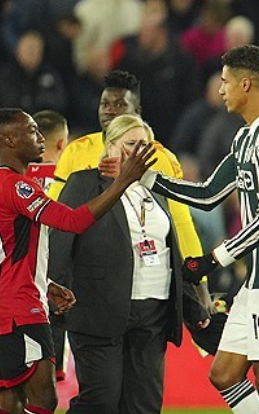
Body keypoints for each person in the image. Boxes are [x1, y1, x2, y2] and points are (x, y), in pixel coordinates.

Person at [133, 44, 259, 414]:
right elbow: (209, 194)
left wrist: (213, 259)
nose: (221, 90)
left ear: (246, 84)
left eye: (225, 82)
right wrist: (145, 178)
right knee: (224, 374)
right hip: (255, 282)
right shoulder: (245, 137)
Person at [48, 114, 210, 414]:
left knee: (144, 406)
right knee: (100, 402)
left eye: (145, 146)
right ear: (109, 146)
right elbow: (60, 239)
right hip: (99, 310)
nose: (138, 152)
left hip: (153, 312)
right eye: (131, 144)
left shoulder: (156, 189)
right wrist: (52, 294)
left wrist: (191, 304)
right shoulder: (84, 183)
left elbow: (169, 252)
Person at [0, 107, 154, 414]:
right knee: (43, 398)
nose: (41, 137)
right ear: (9, 140)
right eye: (31, 130)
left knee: (11, 398)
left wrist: (46, 283)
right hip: (20, 308)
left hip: (13, 300)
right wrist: (123, 181)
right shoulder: (16, 185)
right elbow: (73, 221)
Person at [47, 70, 218, 333]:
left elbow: (181, 224)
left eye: (119, 104)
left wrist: (201, 285)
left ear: (136, 111)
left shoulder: (160, 159)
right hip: (88, 284)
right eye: (105, 103)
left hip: (145, 288)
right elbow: (54, 217)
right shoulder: (77, 151)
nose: (110, 110)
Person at [26, 110, 70, 384]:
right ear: (62, 143)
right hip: (53, 293)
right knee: (44, 386)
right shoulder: (69, 185)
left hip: (21, 292)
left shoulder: (13, 182)